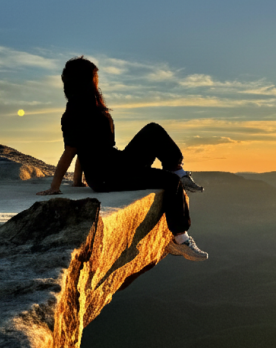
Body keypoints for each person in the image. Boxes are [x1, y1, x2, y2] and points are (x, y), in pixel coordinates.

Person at [36, 56, 208, 261]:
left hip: (117, 164)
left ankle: (178, 169)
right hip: (107, 176)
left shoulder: (93, 105)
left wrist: (77, 181)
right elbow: (72, 150)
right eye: (93, 76)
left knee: (153, 130)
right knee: (171, 183)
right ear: (85, 79)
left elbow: (85, 148)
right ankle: (180, 240)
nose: (96, 80)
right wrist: (55, 186)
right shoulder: (75, 111)